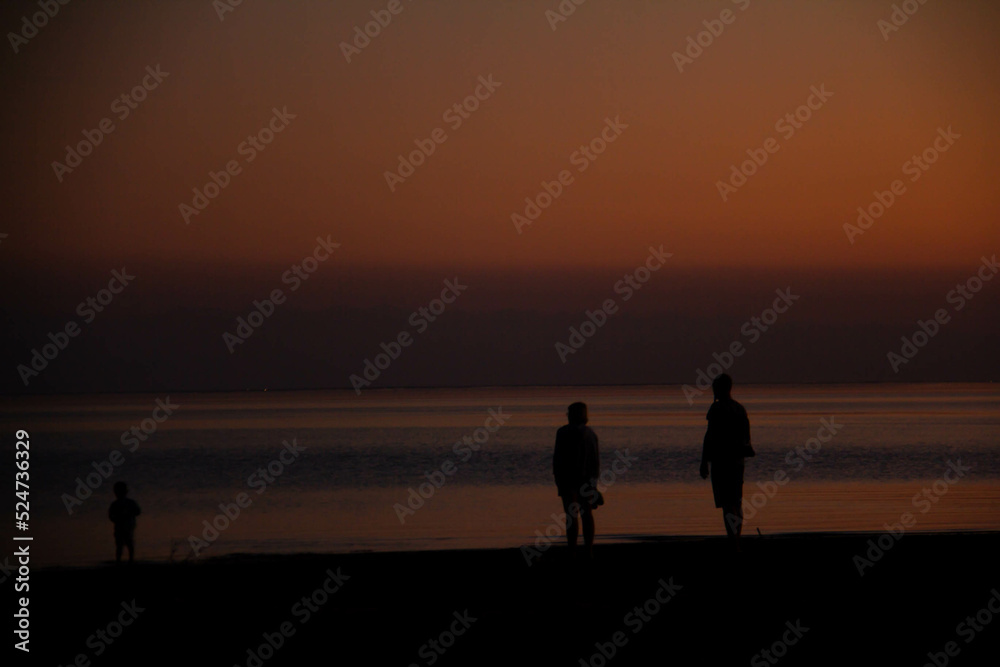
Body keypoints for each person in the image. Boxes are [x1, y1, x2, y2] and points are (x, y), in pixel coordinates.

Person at [699, 374, 754, 547]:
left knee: (727, 503)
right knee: (736, 501)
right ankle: (736, 537)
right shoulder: (739, 409)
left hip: (722, 462)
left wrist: (704, 461)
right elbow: (746, 437)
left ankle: (733, 540)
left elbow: (710, 436)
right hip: (737, 462)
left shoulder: (716, 409)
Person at [553, 402, 600, 558]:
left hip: (568, 478)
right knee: (586, 513)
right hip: (586, 478)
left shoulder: (563, 432)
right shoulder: (591, 434)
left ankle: (572, 550)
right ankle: (589, 550)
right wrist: (594, 484)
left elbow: (558, 458)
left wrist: (558, 478)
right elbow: (595, 461)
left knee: (571, 515)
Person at [108, 482, 141, 564]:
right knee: (123, 544)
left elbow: (137, 512)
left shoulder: (118, 504)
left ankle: (126, 560)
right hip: (123, 527)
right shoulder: (118, 504)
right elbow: (111, 516)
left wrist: (127, 514)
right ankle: (126, 560)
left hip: (126, 526)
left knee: (125, 544)